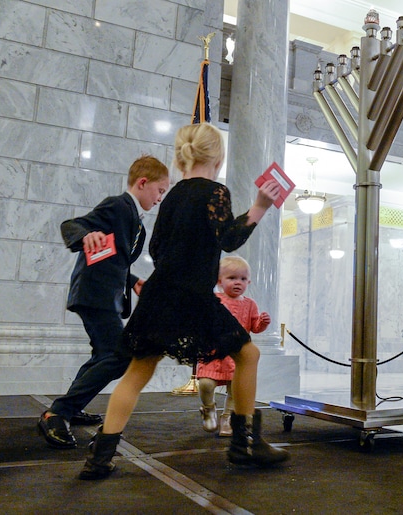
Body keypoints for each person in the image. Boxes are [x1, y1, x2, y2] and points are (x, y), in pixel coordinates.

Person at [79, 122, 289, 480]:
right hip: (193, 298)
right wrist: (260, 205)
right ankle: (244, 444)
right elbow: (229, 237)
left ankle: (99, 458)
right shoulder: (214, 192)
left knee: (136, 373)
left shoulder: (173, 195)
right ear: (218, 157)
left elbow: (156, 248)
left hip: (160, 295)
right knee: (248, 354)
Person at [37, 156, 169, 449]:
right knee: (118, 355)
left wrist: (132, 279)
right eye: (160, 191)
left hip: (106, 295)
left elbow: (116, 258)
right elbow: (72, 225)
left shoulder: (137, 224)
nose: (160, 198)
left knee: (103, 355)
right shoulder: (118, 205)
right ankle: (57, 413)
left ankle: (72, 408)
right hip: (95, 294)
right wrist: (87, 234)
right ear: (143, 183)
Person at [197, 256, 271, 437]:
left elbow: (254, 327)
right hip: (213, 353)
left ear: (249, 282)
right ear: (219, 281)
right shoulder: (214, 300)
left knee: (234, 388)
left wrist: (262, 323)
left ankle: (227, 418)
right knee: (206, 383)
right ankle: (208, 408)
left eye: (243, 279)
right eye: (232, 278)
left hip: (237, 355)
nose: (238, 282)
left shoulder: (250, 304)